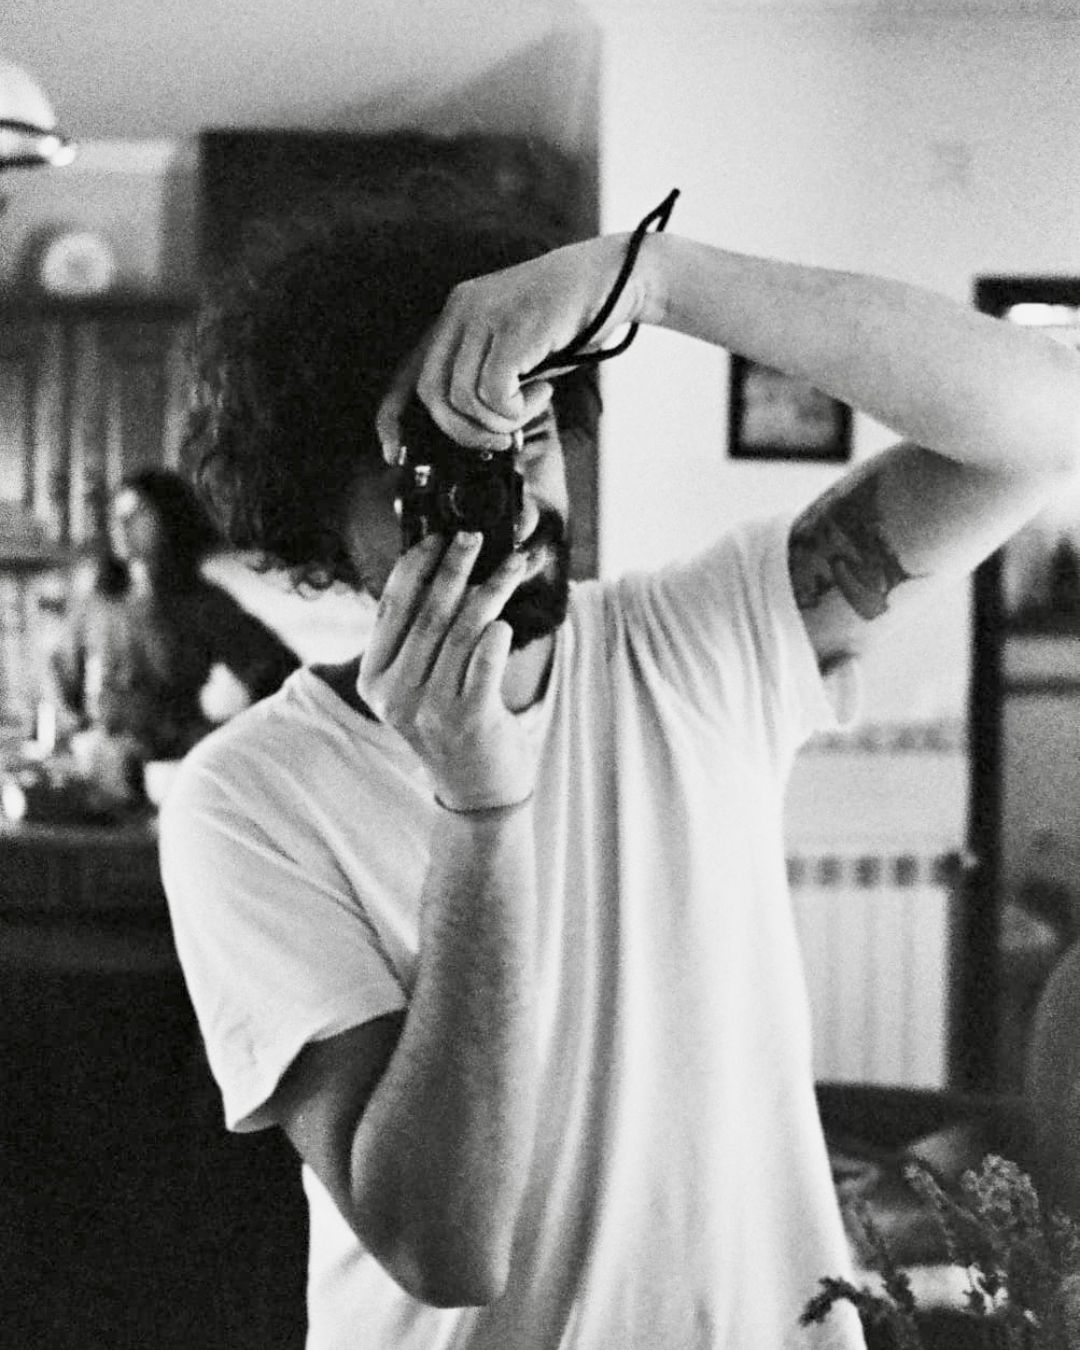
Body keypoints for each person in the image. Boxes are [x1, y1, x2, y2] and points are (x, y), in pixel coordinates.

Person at [160, 185, 1080, 1350]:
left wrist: (650, 278)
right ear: (315, 511)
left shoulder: (705, 637)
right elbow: (447, 1249)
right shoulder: (248, 796)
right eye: (444, 465)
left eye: (531, 432)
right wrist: (481, 809)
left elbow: (1052, 421)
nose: (511, 503)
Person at [48, 466, 300, 802]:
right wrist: (80, 733)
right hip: (101, 768)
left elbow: (278, 672)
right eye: (118, 514)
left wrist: (232, 739)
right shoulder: (98, 602)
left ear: (170, 521)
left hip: (175, 772)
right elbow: (61, 675)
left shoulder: (203, 605)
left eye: (138, 513)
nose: (122, 524)